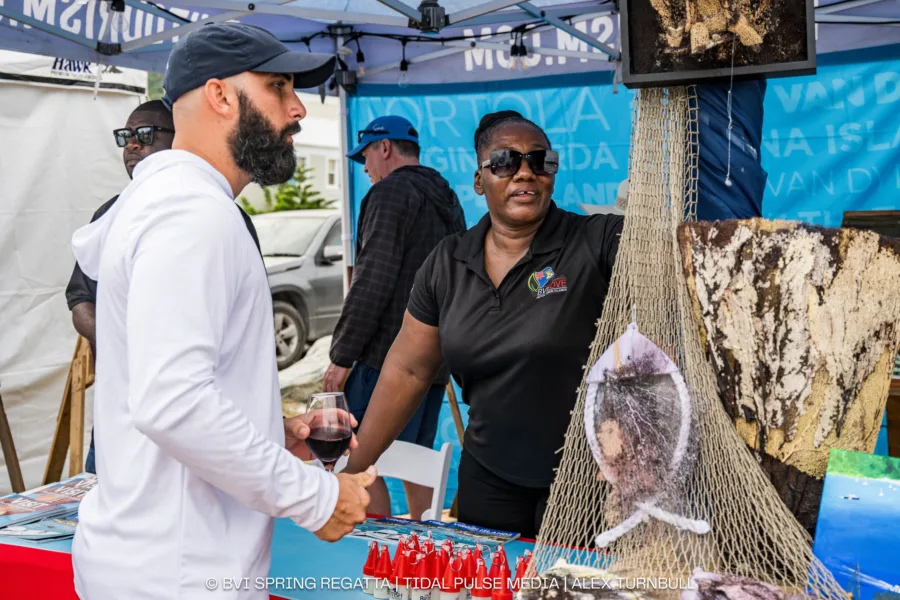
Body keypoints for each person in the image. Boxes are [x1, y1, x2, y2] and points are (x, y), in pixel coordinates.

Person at [70, 22, 376, 599]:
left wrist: (265, 428)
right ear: (219, 96)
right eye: (278, 87)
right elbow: (173, 402)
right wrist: (316, 498)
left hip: (157, 562)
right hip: (178, 576)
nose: (297, 110)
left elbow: (172, 385)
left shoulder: (168, 203)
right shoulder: (193, 214)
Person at [343, 110, 624, 539]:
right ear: (479, 180)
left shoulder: (596, 241)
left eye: (540, 160)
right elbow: (408, 369)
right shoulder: (447, 262)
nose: (525, 173)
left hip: (584, 485)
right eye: (505, 162)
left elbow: (662, 264)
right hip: (487, 478)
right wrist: (350, 471)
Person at [322, 115, 466, 520]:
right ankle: (424, 543)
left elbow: (372, 279)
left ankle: (375, 550)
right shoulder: (447, 198)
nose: (364, 167)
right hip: (431, 360)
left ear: (384, 148)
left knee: (360, 460)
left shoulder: (388, 194)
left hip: (382, 358)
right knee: (414, 457)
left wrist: (342, 356)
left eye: (365, 155)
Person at [65, 99, 176, 475]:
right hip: (117, 409)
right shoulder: (109, 215)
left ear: (179, 140)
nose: (132, 145)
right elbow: (80, 300)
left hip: (180, 411)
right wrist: (126, 341)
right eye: (126, 136)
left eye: (145, 134)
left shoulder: (206, 210)